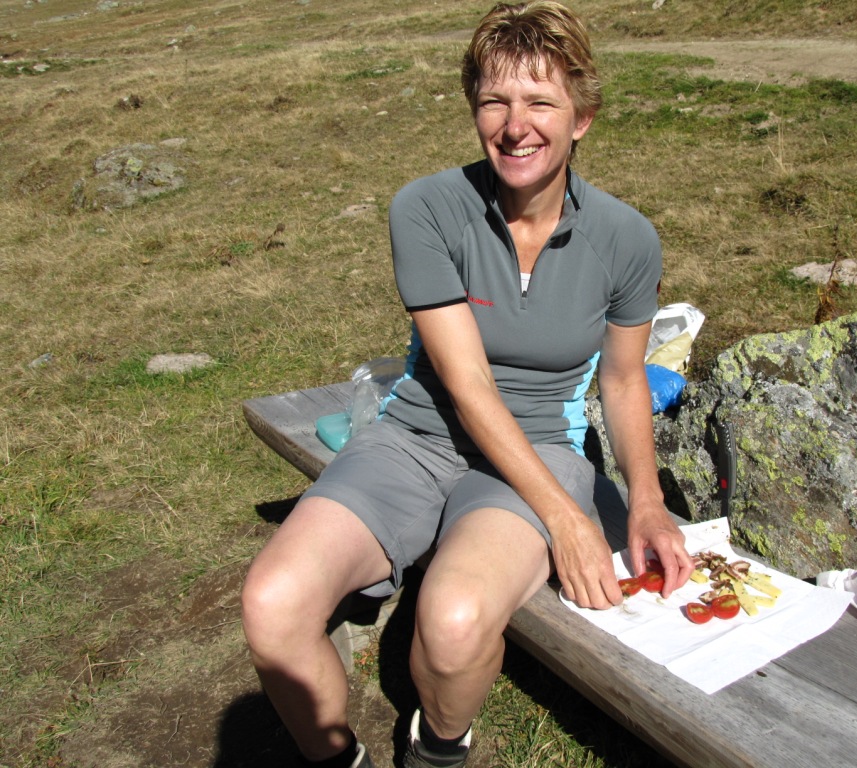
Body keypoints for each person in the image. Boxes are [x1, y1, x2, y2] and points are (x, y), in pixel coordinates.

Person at [240, 2, 695, 767]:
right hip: (418, 436)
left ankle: (437, 748)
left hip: (542, 451)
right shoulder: (427, 209)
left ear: (581, 117)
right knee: (272, 603)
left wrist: (643, 503)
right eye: (495, 100)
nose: (516, 125)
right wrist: (570, 524)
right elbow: (467, 383)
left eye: (541, 101)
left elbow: (622, 381)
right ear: (475, 109)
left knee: (451, 621)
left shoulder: (626, 239)